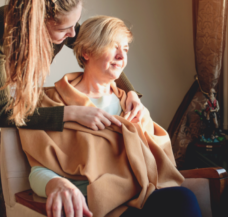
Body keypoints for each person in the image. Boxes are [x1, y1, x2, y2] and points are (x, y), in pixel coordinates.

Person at [19, 15, 203, 217]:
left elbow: (158, 163)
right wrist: (56, 183)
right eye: (113, 47)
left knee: (183, 199)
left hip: (140, 196)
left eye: (125, 49)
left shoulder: (130, 104)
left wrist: (142, 122)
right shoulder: (50, 103)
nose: (122, 57)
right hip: (92, 204)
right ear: (87, 52)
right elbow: (38, 170)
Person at [0, 0, 144, 132]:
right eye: (63, 29)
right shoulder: (4, 36)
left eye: (74, 24)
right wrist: (70, 113)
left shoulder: (64, 24)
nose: (73, 34)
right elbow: (3, 112)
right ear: (37, 23)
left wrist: (131, 92)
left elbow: (97, 48)